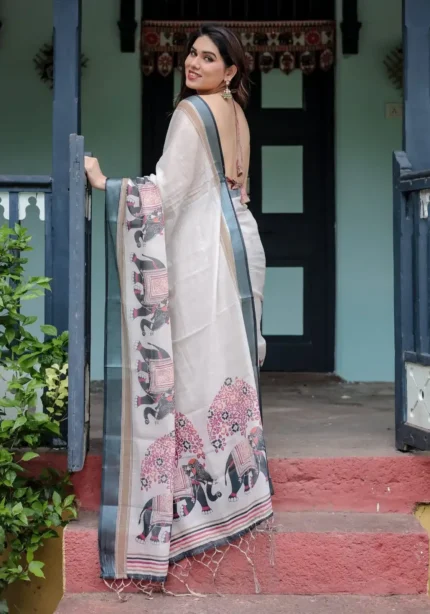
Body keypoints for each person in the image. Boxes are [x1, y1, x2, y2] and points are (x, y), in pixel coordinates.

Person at [85, 24, 273, 588]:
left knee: (193, 364)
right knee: (228, 360)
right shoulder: (235, 114)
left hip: (207, 254)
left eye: (209, 57)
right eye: (191, 53)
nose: (194, 63)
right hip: (244, 243)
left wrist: (105, 185)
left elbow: (164, 193)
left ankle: (195, 504)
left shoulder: (193, 112)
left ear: (231, 70)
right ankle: (236, 492)